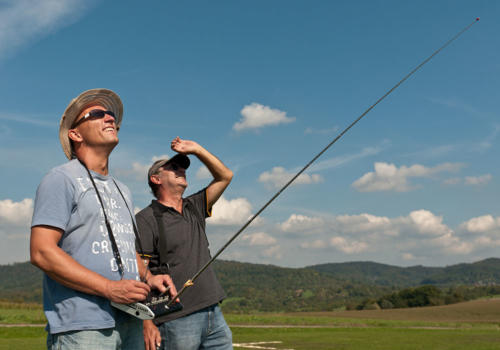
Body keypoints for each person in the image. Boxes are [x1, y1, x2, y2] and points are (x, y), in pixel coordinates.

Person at [30, 88, 177, 350]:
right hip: (83, 328)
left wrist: (149, 277)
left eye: (111, 115)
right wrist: (109, 288)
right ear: (75, 134)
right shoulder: (60, 179)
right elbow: (42, 252)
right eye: (97, 114)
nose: (110, 118)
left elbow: (124, 250)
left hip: (129, 320)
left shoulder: (124, 190)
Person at [136, 137, 234, 350]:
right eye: (173, 167)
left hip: (213, 312)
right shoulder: (146, 218)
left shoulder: (194, 206)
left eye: (182, 167)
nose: (181, 170)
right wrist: (145, 321)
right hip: (175, 318)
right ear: (156, 179)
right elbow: (138, 270)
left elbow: (225, 176)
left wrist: (197, 150)